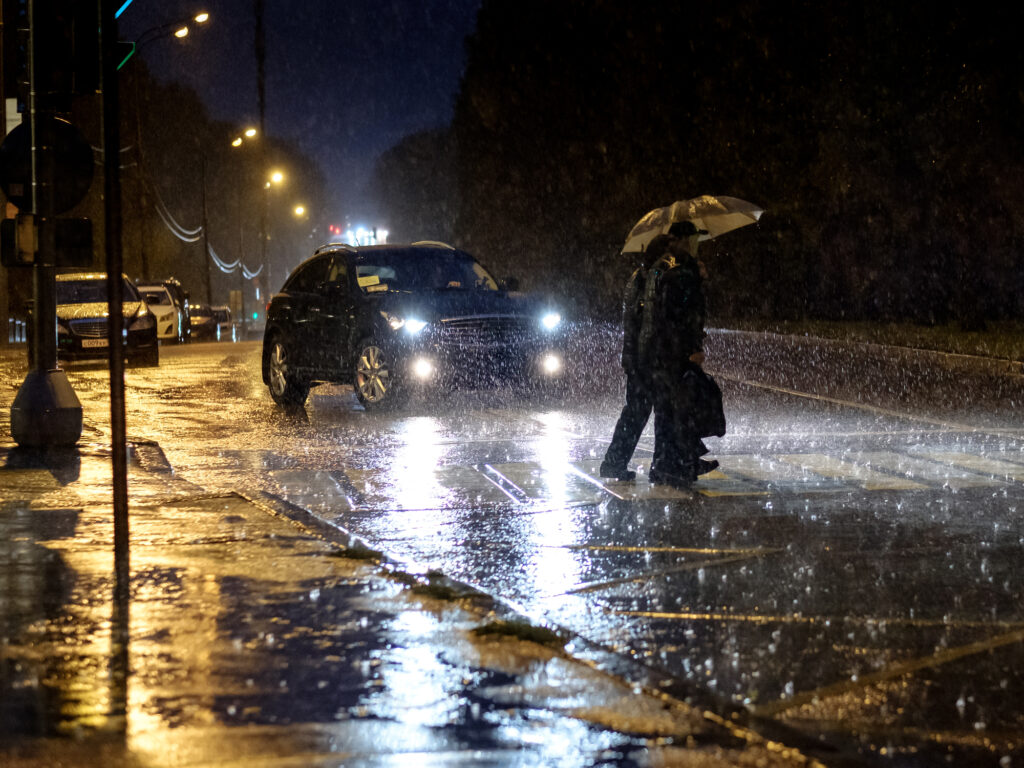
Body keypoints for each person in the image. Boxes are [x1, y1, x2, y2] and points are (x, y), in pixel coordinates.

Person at [638, 220, 719, 488]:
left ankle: (667, 464)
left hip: (657, 352)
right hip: (673, 354)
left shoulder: (662, 265)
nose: (698, 245)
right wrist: (690, 350)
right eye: (695, 239)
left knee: (667, 411)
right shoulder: (682, 271)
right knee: (682, 409)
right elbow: (680, 316)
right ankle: (678, 465)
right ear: (686, 239)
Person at [598, 235, 672, 481]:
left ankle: (614, 462)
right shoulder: (659, 276)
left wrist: (630, 355)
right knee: (664, 413)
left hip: (636, 358)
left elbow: (630, 321)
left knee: (635, 413)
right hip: (651, 359)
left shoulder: (636, 277)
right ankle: (663, 467)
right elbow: (652, 322)